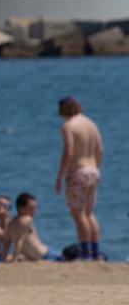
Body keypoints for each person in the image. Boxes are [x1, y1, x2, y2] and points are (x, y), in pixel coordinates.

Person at [54, 96, 103, 260]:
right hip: (93, 170)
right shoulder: (91, 124)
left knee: (78, 214)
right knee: (89, 214)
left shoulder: (68, 126)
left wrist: (60, 176)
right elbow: (100, 150)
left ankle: (87, 254)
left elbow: (68, 152)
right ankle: (96, 253)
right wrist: (95, 168)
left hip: (78, 171)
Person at [3, 192, 64, 262]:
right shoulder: (27, 219)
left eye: (35, 208)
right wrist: (14, 260)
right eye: (31, 208)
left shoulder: (10, 223)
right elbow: (19, 241)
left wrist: (3, 258)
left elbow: (6, 243)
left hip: (34, 256)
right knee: (72, 256)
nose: (34, 211)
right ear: (21, 208)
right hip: (44, 254)